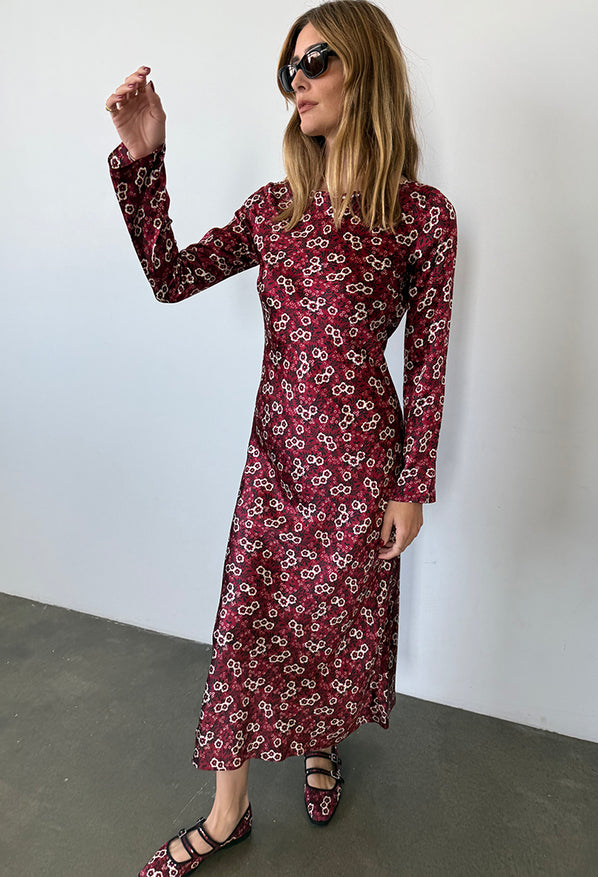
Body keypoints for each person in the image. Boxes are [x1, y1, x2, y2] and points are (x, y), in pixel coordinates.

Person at [105, 1, 457, 874]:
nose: (297, 80)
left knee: (334, 624)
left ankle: (320, 741)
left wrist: (413, 482)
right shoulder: (275, 210)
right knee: (247, 624)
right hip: (276, 460)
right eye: (288, 69)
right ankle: (229, 814)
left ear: (364, 69)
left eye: (316, 60)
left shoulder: (424, 218)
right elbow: (171, 276)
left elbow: (429, 361)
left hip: (362, 466)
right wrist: (146, 161)